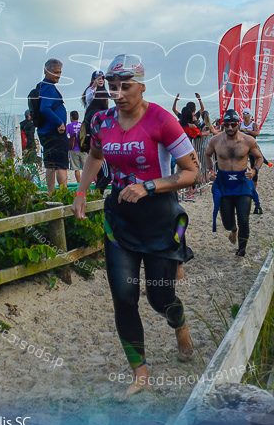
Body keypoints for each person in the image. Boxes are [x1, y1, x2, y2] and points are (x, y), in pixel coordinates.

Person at [72, 55, 198, 396]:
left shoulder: (163, 120)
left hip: (159, 218)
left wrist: (149, 186)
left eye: (126, 86)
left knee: (160, 298)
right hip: (120, 221)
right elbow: (96, 156)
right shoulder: (101, 121)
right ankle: (140, 372)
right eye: (114, 87)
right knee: (124, 298)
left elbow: (191, 172)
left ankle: (180, 324)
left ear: (142, 85)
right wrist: (82, 191)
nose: (119, 93)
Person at [205, 110, 264, 257]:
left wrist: (255, 171)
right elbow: (207, 154)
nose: (230, 128)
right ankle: (233, 230)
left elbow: (259, 158)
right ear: (223, 124)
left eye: (233, 124)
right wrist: (210, 171)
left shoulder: (248, 140)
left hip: (242, 183)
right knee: (227, 221)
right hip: (224, 183)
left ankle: (242, 250)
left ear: (238, 124)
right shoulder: (216, 140)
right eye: (227, 125)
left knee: (244, 219)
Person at [37, 59, 68, 194]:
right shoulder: (49, 88)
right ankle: (63, 194)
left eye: (60, 72)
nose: (58, 75)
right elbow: (45, 108)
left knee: (50, 165)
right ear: (46, 71)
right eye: (55, 72)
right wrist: (59, 122)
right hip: (54, 133)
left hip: (45, 131)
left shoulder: (41, 86)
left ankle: (50, 194)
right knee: (61, 165)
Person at [240, 111, 264, 213]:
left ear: (250, 116)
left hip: (252, 147)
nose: (245, 117)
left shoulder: (253, 124)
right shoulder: (240, 123)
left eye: (247, 115)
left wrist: (245, 130)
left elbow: (257, 133)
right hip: (242, 147)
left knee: (254, 166)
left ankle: (254, 187)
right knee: (242, 166)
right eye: (244, 115)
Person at [66, 110, 85, 179]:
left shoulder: (69, 126)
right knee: (85, 168)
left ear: (71, 117)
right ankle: (86, 182)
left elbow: (65, 135)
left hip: (73, 148)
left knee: (76, 169)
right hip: (83, 148)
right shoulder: (82, 125)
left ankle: (79, 183)